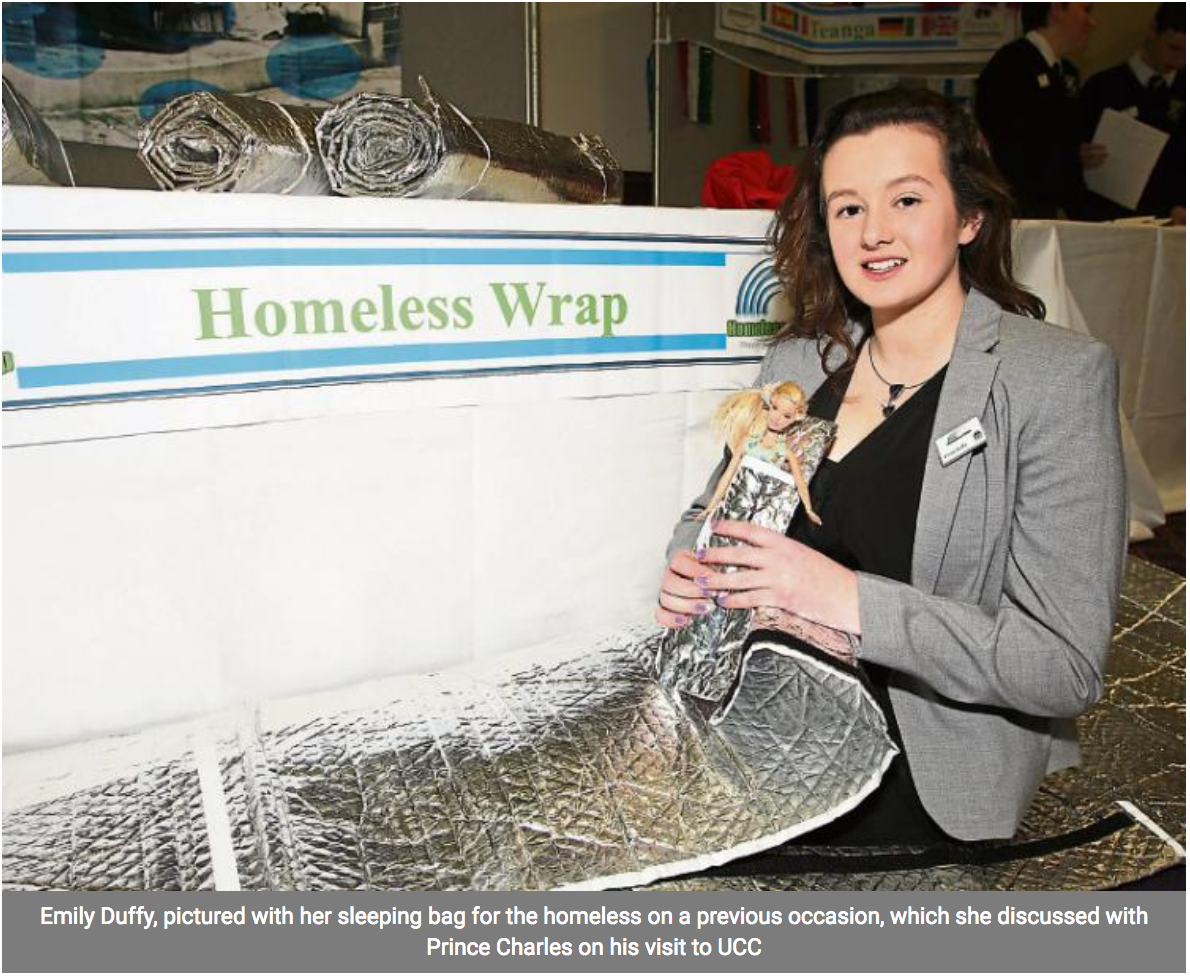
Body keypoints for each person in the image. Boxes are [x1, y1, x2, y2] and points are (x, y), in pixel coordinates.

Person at [656, 87, 1127, 844]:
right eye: (848, 208)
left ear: (970, 217)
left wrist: (846, 600)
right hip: (756, 735)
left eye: (906, 199)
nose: (874, 232)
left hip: (919, 773)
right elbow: (710, 514)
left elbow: (1062, 665)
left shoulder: (1052, 379)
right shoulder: (799, 363)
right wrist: (692, 561)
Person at [975, 3, 1103, 218]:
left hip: (1053, 213)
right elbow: (1010, 153)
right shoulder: (1012, 64)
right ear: (1057, 9)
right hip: (1020, 216)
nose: (1092, 23)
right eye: (1086, 10)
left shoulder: (1067, 73)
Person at [1081, 3, 1186, 221]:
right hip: (1111, 218)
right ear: (1152, 30)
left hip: (1175, 221)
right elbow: (1072, 156)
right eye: (1174, 48)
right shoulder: (1103, 87)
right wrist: (1080, 156)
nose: (1181, 59)